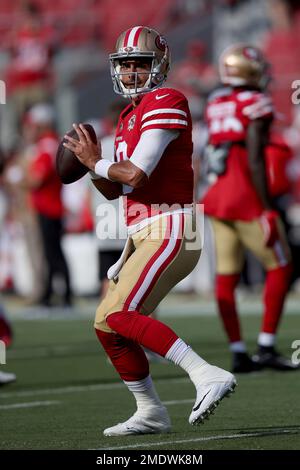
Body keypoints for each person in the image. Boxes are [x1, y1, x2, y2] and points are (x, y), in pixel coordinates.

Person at [63, 26, 236, 436]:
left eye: (139, 64)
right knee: (107, 324)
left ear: (159, 66)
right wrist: (91, 165)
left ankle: (205, 372)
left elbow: (137, 175)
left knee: (121, 314)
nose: (130, 72)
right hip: (145, 230)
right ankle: (150, 410)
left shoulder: (166, 99)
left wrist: (97, 162)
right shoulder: (126, 117)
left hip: (172, 225)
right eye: (124, 64)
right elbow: (114, 187)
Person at [201, 44, 297, 373]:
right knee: (281, 266)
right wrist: (266, 205)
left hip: (216, 195)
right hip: (244, 195)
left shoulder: (215, 101)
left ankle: (238, 351)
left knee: (226, 273)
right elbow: (255, 158)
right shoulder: (256, 102)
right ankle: (267, 345)